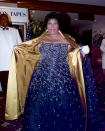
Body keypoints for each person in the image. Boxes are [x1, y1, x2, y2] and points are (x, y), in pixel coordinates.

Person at [5, 12, 100, 131]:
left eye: (55, 23)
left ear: (59, 25)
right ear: (46, 25)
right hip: (41, 76)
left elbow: (74, 54)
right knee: (39, 103)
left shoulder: (68, 39)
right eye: (49, 23)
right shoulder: (39, 40)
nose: (52, 26)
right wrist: (17, 49)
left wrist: (81, 52)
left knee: (64, 102)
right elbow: (27, 51)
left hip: (62, 77)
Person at [0, 14, 22, 98]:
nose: (5, 21)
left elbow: (19, 46)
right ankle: (6, 106)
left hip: (12, 64)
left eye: (6, 19)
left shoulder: (15, 31)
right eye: (2, 19)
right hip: (1, 64)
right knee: (4, 87)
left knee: (13, 87)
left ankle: (13, 106)